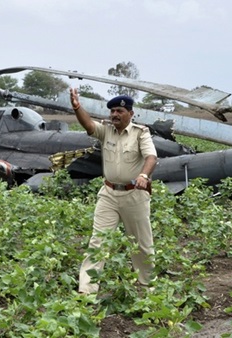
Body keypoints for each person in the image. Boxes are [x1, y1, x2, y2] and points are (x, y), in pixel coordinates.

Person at [69, 88, 158, 294]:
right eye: (112, 111)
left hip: (134, 195)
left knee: (142, 245)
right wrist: (77, 107)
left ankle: (147, 288)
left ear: (130, 114)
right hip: (108, 194)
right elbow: (89, 125)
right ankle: (87, 291)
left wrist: (144, 176)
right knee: (97, 242)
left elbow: (151, 157)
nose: (115, 115)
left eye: (119, 111)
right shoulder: (106, 131)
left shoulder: (140, 133)